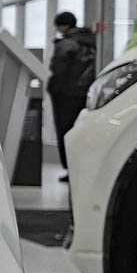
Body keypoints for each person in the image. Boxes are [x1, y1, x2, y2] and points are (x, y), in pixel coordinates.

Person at [47, 10, 98, 181]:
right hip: (88, 93)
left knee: (66, 131)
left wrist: (52, 87)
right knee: (83, 131)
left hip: (66, 94)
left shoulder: (66, 44)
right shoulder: (92, 41)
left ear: (63, 26)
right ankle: (84, 167)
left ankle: (71, 169)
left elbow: (58, 69)